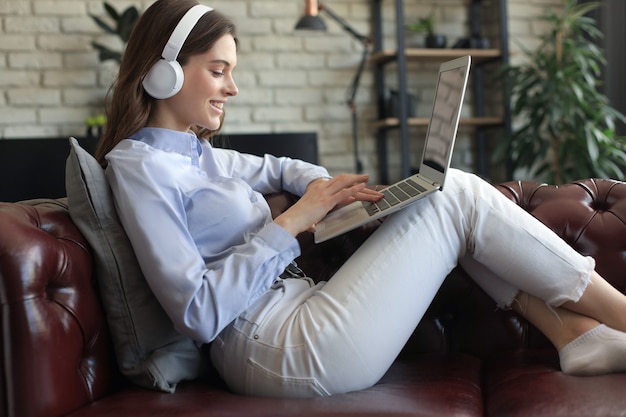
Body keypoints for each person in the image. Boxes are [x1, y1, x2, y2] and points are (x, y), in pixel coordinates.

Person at [95, 0, 626, 398]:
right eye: (218, 70)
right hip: (272, 346)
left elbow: (280, 167)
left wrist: (327, 192)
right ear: (164, 72)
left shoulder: (198, 155)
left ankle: (575, 337)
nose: (232, 88)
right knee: (457, 192)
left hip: (294, 312)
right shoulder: (140, 167)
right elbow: (196, 312)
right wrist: (294, 221)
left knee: (436, 201)